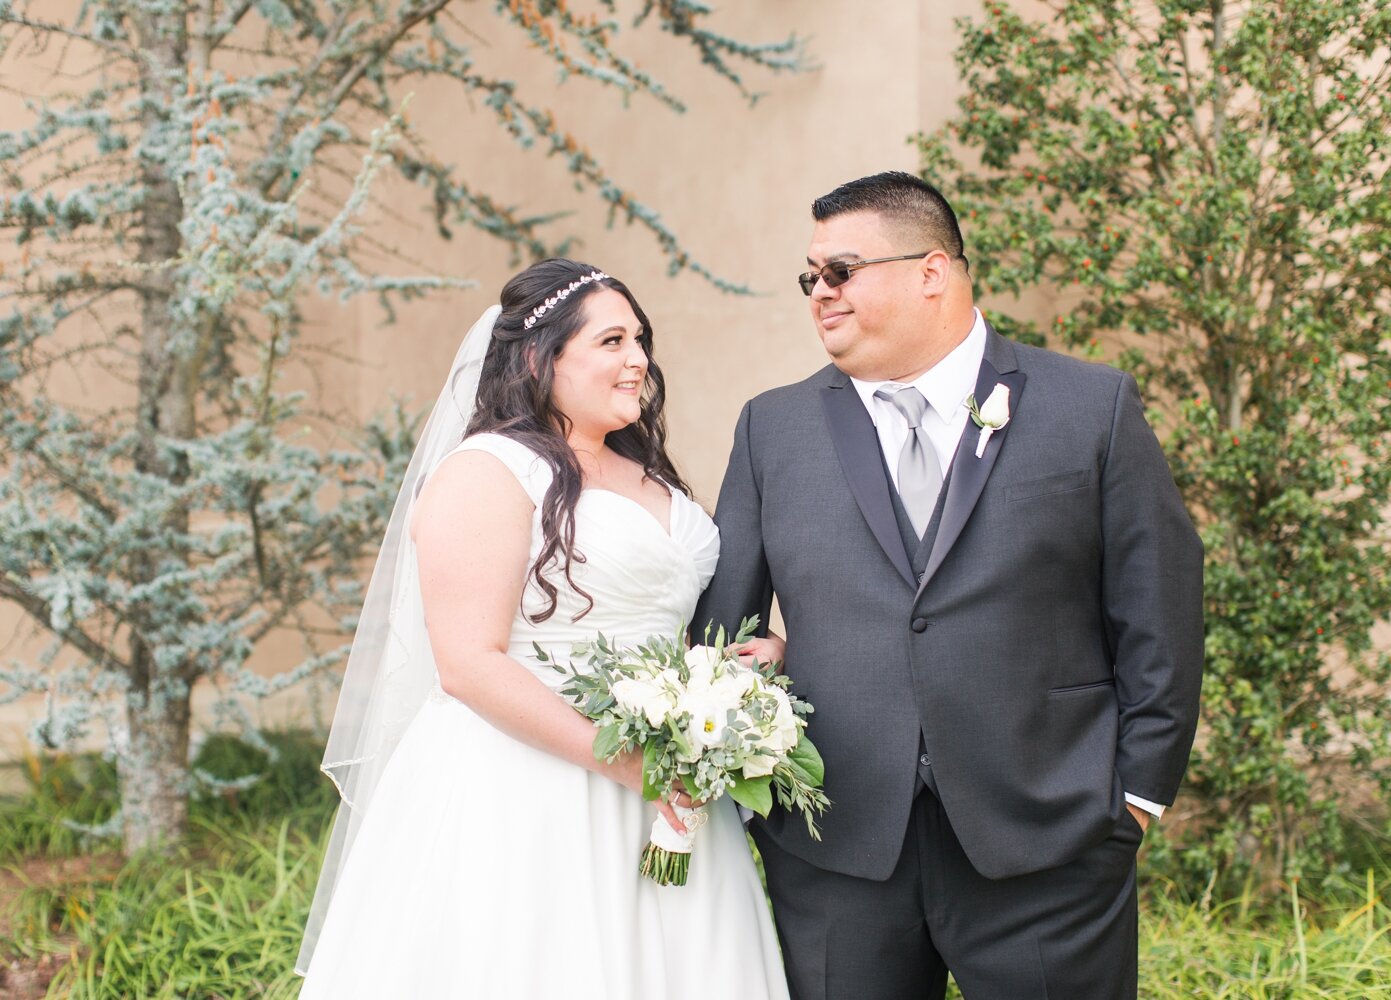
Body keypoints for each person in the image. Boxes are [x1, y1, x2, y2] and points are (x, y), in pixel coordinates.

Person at [693, 172, 1204, 999]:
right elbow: (719, 638)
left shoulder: (1089, 407)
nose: (819, 293)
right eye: (810, 277)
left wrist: (1134, 799)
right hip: (835, 852)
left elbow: (1160, 607)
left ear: (932, 272)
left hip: (1049, 845)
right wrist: (757, 801)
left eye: (842, 271)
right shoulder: (772, 428)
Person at [297, 259, 789, 998]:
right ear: (539, 357)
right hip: (528, 784)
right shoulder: (488, 471)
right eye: (612, 342)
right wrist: (626, 764)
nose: (638, 361)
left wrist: (739, 672)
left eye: (640, 340)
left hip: (666, 784)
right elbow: (467, 663)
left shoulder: (648, 474)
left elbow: (654, 620)